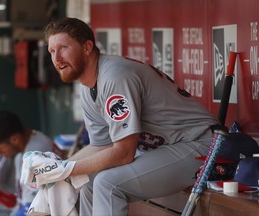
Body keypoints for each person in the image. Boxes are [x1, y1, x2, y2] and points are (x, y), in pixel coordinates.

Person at [43, 17, 220, 216]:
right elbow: (101, 145)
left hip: (203, 145)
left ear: (87, 47)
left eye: (63, 48)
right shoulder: (88, 86)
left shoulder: (115, 76)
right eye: (51, 51)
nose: (56, 58)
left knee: (107, 183)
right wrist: (58, 170)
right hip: (170, 148)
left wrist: (65, 171)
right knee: (90, 182)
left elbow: (123, 153)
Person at [0, 110, 54, 215]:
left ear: (15, 139)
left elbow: (34, 208)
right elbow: (20, 200)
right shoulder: (25, 149)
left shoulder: (34, 156)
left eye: (0, 149)